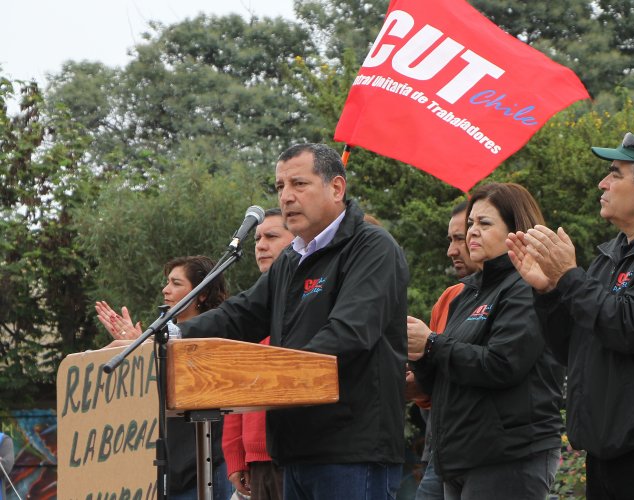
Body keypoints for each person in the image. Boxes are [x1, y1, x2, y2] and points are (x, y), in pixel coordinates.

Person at [178, 143, 409, 500]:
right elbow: (240, 314)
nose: (286, 197)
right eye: (280, 187)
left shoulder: (372, 248)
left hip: (351, 451)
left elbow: (349, 333)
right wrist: (170, 335)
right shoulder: (291, 260)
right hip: (294, 451)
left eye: (299, 184)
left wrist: (267, 378)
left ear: (336, 188)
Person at [506, 132, 634, 500]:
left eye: (615, 173)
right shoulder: (611, 255)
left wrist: (569, 277)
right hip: (606, 454)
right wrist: (548, 292)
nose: (602, 183)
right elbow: (571, 346)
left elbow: (631, 328)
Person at [408, 183, 564, 500]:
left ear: (515, 230)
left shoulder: (527, 284)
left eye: (484, 223)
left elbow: (503, 364)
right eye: (470, 224)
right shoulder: (466, 294)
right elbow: (443, 378)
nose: (472, 233)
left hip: (508, 457)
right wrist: (421, 354)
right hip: (459, 457)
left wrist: (433, 343)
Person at [95, 256, 233, 499]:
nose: (165, 289)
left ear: (201, 294)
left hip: (204, 466)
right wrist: (140, 355)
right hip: (167, 468)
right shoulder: (160, 338)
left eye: (176, 283)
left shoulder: (217, 335)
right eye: (167, 282)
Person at [222, 208, 294, 499]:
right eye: (257, 239)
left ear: (297, 241)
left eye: (272, 236)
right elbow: (236, 390)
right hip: (255, 461)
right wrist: (235, 456)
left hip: (296, 454)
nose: (261, 245)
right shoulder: (250, 313)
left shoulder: (308, 302)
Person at [411, 201, 477, 500]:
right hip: (442, 448)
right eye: (450, 240)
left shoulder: (519, 292)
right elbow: (429, 394)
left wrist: (431, 346)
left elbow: (500, 365)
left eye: (459, 238)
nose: (452, 251)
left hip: (490, 452)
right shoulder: (450, 297)